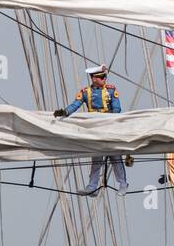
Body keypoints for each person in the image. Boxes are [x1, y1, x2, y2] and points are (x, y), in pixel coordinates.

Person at [53, 64, 127, 194]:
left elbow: (117, 108)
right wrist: (65, 112)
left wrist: (113, 123)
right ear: (93, 78)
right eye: (101, 77)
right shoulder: (85, 92)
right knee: (96, 158)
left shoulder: (111, 90)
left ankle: (123, 183)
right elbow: (75, 105)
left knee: (115, 157)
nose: (104, 79)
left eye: (104, 77)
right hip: (94, 127)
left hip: (109, 125)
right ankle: (92, 186)